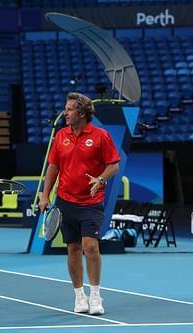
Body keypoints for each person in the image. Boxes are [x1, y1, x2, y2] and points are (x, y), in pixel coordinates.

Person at [38, 92, 120, 315]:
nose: (66, 113)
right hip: (65, 201)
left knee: (90, 246)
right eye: (66, 109)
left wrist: (101, 179)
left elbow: (114, 165)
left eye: (70, 109)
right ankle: (79, 296)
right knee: (72, 248)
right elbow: (53, 167)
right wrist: (45, 195)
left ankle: (95, 295)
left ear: (82, 113)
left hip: (91, 201)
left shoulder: (101, 136)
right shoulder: (61, 136)